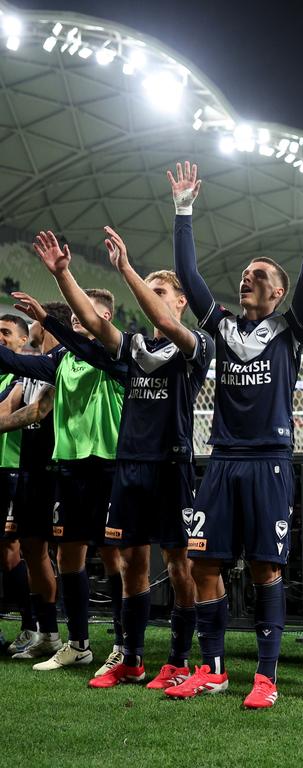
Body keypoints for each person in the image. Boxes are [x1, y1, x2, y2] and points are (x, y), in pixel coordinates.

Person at [162, 161, 303, 708]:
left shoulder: (289, 331)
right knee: (204, 563)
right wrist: (184, 209)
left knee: (265, 567)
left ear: (278, 294)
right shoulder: (223, 327)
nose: (248, 278)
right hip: (222, 461)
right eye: (246, 274)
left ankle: (267, 677)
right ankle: (216, 669)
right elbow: (189, 271)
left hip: (269, 460)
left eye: (259, 277)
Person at [31, 227, 213, 690]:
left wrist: (126, 269)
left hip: (171, 467)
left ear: (180, 303)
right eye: (149, 292)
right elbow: (93, 326)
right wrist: (63, 275)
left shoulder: (195, 346)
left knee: (178, 566)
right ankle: (130, 659)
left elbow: (168, 327)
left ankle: (176, 660)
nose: (152, 299)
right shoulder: (134, 347)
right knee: (132, 564)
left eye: (160, 293)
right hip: (129, 469)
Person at [2, 277, 127, 676]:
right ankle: (78, 644)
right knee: (68, 554)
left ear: (103, 317)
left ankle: (125, 643)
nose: (75, 317)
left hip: (108, 464)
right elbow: (20, 363)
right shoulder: (62, 360)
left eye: (83, 312)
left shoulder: (112, 350)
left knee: (113, 554)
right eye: (71, 314)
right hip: (70, 468)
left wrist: (47, 319)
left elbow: (83, 344)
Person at [0, 308, 71, 662]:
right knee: (31, 550)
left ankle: (78, 637)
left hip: (54, 470)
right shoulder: (29, 371)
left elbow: (37, 412)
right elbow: (10, 409)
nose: (32, 326)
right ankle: (46, 634)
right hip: (29, 470)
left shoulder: (60, 365)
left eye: (36, 320)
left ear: (45, 326)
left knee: (69, 554)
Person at [0, 313, 37, 654]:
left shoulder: (22, 374)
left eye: (6, 332)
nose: (0, 337)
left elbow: (6, 416)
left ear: (23, 340)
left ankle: (31, 624)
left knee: (14, 552)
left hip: (14, 469)